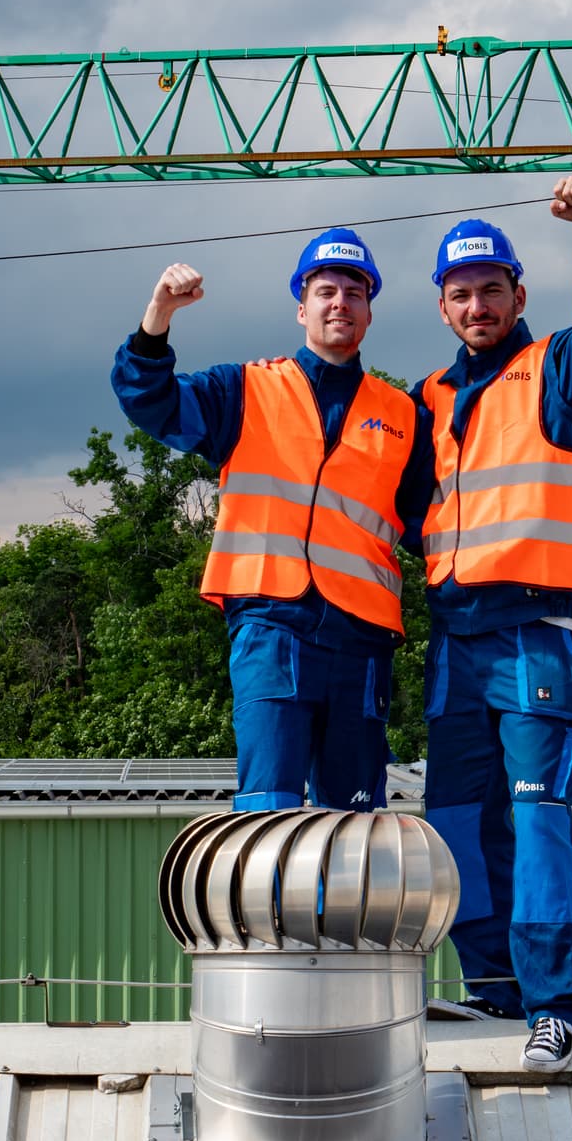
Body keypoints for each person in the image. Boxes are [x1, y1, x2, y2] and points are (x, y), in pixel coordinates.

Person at [414, 177, 572, 1072]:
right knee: (459, 819)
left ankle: (552, 1002)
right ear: (443, 305)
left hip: (537, 631)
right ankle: (492, 990)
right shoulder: (428, 399)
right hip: (456, 639)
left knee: (537, 815)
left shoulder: (557, 371)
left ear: (519, 294)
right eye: (461, 292)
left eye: (492, 288)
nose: (477, 305)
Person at [111, 228, 432, 812]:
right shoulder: (245, 389)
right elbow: (149, 401)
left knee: (354, 818)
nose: (341, 303)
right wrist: (158, 315)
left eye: (355, 293)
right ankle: (269, 910)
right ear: (301, 306)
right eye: (327, 290)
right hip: (270, 622)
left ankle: (343, 909)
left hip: (360, 637)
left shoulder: (403, 414)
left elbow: (432, 524)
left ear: (369, 310)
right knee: (269, 806)